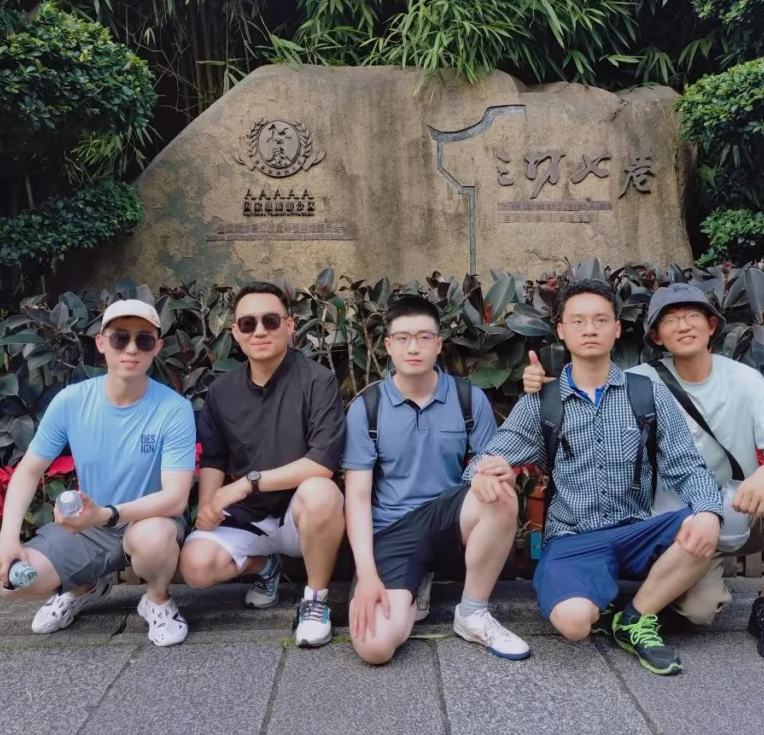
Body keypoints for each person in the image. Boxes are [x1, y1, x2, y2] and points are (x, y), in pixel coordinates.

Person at [524, 282, 764, 662]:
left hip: (738, 507)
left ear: (711, 325)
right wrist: (541, 386)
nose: (684, 325)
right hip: (677, 521)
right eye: (671, 320)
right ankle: (646, 605)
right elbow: (589, 388)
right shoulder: (640, 382)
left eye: (693, 316)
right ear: (657, 336)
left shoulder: (745, 380)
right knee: (699, 612)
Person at [472, 280, 722, 675]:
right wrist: (483, 474)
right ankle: (598, 599)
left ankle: (634, 618)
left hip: (637, 532)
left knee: (701, 524)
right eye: (578, 321)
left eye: (601, 320)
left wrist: (709, 510)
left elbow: (687, 466)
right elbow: (489, 457)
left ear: (617, 329)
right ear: (561, 330)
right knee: (574, 624)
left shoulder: (648, 395)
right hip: (573, 537)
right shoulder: (542, 402)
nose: (590, 329)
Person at [0, 299, 196, 647]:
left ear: (157, 347)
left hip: (149, 519)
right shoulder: (71, 401)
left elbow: (175, 499)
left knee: (154, 538)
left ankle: (157, 600)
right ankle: (84, 586)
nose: (131, 348)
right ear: (101, 343)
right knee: (10, 583)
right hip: (89, 524)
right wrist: (8, 539)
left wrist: (108, 514)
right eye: (120, 338)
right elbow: (28, 471)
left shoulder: (174, 409)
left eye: (144, 340)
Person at [343, 295, 530, 665]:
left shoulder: (468, 399)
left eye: (424, 337)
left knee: (499, 490)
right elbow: (358, 497)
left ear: (439, 344)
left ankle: (472, 614)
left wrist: (497, 475)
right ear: (388, 346)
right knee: (374, 647)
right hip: (393, 530)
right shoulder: (368, 408)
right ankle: (414, 587)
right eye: (403, 338)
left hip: (449, 519)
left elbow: (489, 464)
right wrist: (366, 575)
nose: (413, 348)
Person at [178, 282, 346, 648]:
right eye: (248, 323)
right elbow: (214, 458)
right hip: (248, 517)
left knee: (321, 491)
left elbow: (322, 462)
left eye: (270, 320)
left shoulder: (318, 381)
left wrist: (245, 484)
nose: (259, 331)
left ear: (289, 326)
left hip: (300, 515)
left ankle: (315, 601)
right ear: (235, 333)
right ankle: (265, 567)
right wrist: (208, 507)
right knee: (195, 567)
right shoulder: (222, 391)